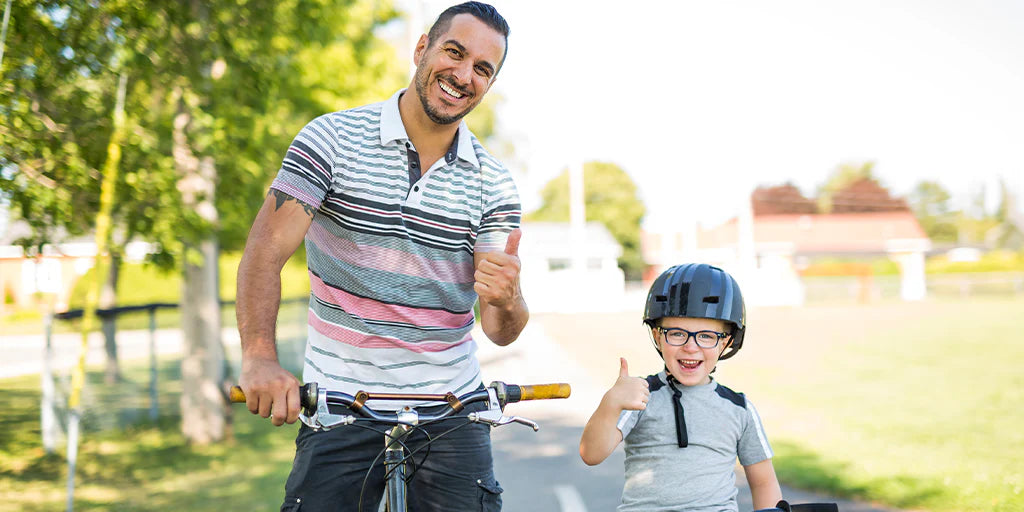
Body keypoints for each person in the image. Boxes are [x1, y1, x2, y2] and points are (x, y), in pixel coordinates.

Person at [234, 3, 526, 511]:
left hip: (451, 407)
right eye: (454, 53)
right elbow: (264, 255)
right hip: (341, 404)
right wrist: (259, 357)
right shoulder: (330, 140)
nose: (464, 75)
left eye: (483, 69)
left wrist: (510, 297)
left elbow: (500, 328)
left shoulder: (494, 184)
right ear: (421, 49)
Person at [579, 263, 785, 512]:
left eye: (707, 336)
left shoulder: (739, 409)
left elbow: (764, 482)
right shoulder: (640, 397)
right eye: (676, 333)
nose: (691, 347)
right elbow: (591, 453)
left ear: (726, 342)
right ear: (657, 336)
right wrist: (610, 403)